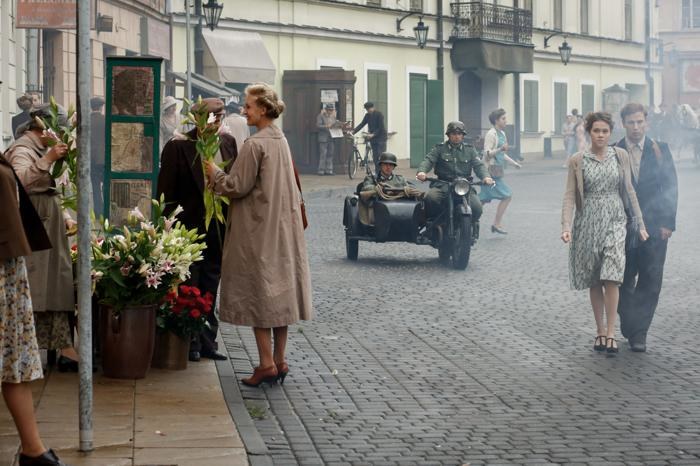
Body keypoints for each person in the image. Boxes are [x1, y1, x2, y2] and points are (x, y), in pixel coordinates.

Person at [205, 83, 312, 387]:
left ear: (263, 110)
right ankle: (280, 360)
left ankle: (265, 364)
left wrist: (213, 171)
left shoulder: (255, 144)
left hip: (259, 230)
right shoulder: (281, 139)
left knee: (260, 294)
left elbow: (236, 185)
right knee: (280, 294)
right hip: (283, 229)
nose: (244, 110)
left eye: (248, 106)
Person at [561, 111, 649, 354]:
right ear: (589, 132)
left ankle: (611, 332)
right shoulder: (577, 160)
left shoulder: (620, 156)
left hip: (615, 218)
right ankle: (599, 330)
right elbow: (569, 194)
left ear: (610, 133)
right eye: (596, 131)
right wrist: (566, 226)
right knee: (595, 278)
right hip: (587, 221)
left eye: (605, 131)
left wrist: (640, 224)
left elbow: (630, 191)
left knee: (612, 275)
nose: (600, 135)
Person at [157, 98, 237, 363]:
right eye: (212, 117)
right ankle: (188, 340)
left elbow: (233, 181)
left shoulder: (227, 143)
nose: (217, 122)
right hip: (187, 225)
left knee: (211, 281)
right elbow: (165, 191)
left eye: (220, 116)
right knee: (188, 282)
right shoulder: (179, 146)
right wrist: (166, 226)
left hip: (217, 225)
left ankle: (207, 340)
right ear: (198, 119)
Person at [0, 157, 68, 466]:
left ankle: (34, 449)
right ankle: (34, 451)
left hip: (8, 268)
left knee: (13, 362)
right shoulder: (22, 150)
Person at [3, 104, 80, 371]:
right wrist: (47, 159)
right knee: (38, 289)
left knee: (56, 286)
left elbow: (55, 187)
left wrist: (67, 216)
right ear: (42, 129)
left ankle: (64, 349)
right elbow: (18, 180)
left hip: (47, 225)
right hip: (33, 228)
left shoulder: (37, 149)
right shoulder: (23, 150)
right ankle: (37, 350)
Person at [615, 103, 678, 352]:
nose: (636, 127)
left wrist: (668, 224)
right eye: (631, 122)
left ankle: (639, 332)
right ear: (624, 124)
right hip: (622, 226)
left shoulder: (659, 150)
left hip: (654, 226)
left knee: (651, 279)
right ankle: (629, 320)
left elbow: (671, 186)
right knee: (621, 278)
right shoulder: (614, 150)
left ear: (647, 123)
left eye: (640, 122)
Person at [416, 121, 495, 238]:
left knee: (477, 207)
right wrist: (422, 172)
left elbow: (479, 166)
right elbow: (428, 160)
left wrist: (486, 177)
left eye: (459, 134)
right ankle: (434, 224)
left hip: (464, 185)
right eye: (453, 133)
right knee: (431, 198)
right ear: (448, 135)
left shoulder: (470, 150)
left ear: (463, 135)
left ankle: (471, 227)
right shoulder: (440, 149)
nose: (457, 136)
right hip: (443, 184)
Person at [480, 109, 521, 235]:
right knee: (507, 195)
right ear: (496, 120)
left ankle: (465, 218)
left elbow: (502, 154)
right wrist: (499, 149)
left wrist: (514, 163)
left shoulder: (502, 133)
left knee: (483, 199)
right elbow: (487, 154)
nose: (505, 121)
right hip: (489, 172)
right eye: (503, 118)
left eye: (505, 118)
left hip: (496, 171)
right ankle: (496, 224)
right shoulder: (491, 134)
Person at [353, 102, 387, 173]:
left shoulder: (379, 115)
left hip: (381, 138)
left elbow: (381, 127)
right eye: (367, 109)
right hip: (373, 139)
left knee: (379, 155)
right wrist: (353, 132)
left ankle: (382, 172)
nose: (368, 110)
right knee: (375, 157)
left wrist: (373, 134)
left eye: (369, 109)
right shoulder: (367, 116)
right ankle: (378, 172)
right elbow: (362, 124)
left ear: (373, 107)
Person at [90, 96, 106, 217]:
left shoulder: (86, 121)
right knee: (106, 186)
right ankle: (106, 210)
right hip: (105, 158)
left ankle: (97, 211)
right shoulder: (106, 120)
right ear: (101, 107)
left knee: (95, 186)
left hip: (92, 159)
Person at [317, 103, 337, 175]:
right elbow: (318, 125)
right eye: (329, 110)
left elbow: (334, 125)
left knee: (330, 154)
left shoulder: (333, 117)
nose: (330, 111)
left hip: (331, 137)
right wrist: (326, 126)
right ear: (326, 110)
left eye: (331, 110)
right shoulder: (321, 116)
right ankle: (321, 170)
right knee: (323, 154)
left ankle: (329, 170)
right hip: (323, 138)